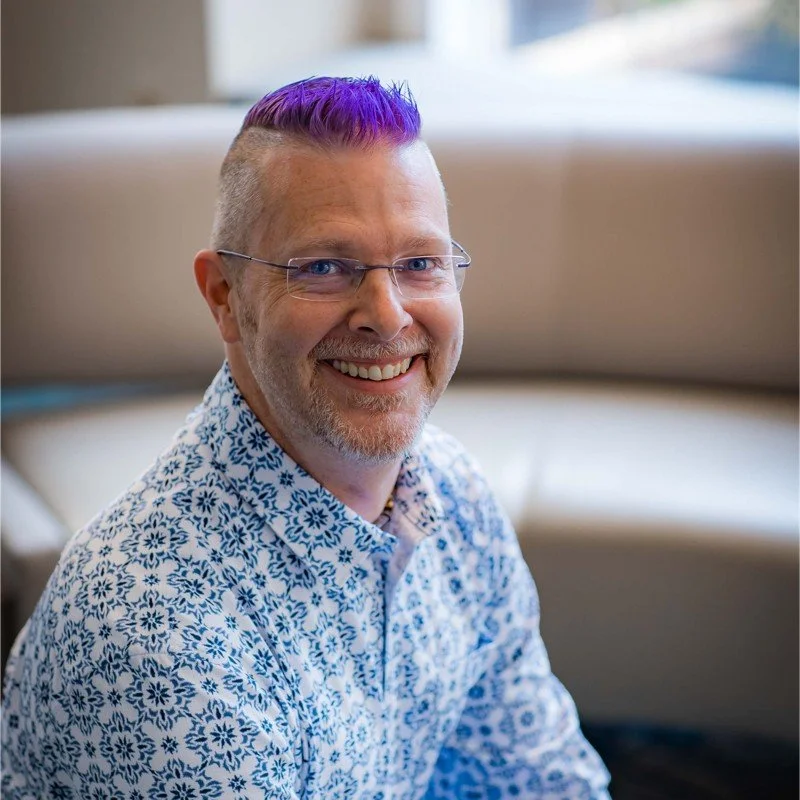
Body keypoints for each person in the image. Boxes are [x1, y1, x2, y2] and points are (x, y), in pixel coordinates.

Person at [1, 76, 610, 798]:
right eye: (323, 267)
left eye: (420, 263)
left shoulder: (453, 497)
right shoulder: (158, 643)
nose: (387, 315)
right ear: (225, 297)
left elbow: (541, 777)